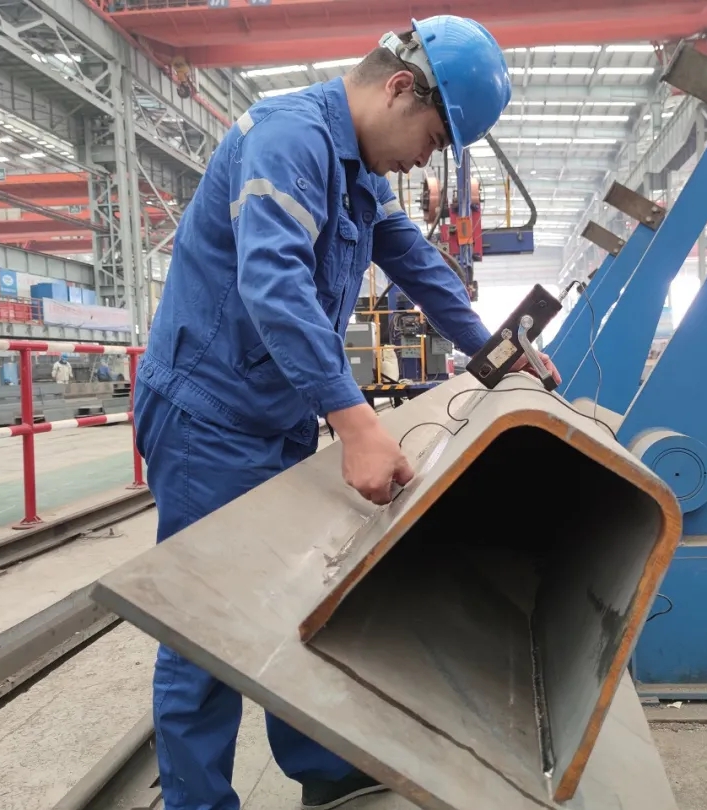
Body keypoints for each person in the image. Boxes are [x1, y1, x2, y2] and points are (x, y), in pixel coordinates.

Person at [132, 14, 560, 810]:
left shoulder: (356, 167)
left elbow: (418, 264)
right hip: (207, 416)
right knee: (208, 625)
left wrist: (497, 351)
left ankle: (324, 769)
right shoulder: (287, 140)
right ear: (399, 88)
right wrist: (356, 425)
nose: (424, 160)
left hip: (274, 413)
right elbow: (275, 288)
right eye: (433, 139)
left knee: (304, 593)